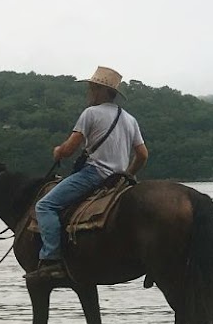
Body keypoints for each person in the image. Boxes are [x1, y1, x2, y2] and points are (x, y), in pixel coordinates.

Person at [28, 66, 149, 281]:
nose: (89, 93)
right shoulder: (130, 119)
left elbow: (69, 149)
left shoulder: (91, 113)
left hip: (94, 174)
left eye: (91, 88)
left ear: (99, 91)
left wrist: (58, 151)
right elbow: (142, 155)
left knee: (45, 206)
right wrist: (128, 174)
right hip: (118, 180)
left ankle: (51, 259)